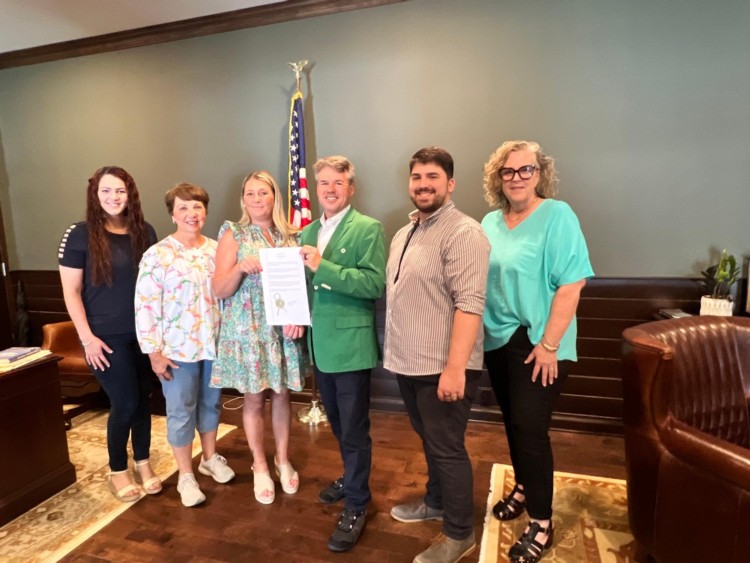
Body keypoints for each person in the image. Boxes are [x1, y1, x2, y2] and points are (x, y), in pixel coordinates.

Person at [481, 140, 593, 563]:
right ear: (498, 178)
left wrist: (548, 345)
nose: (517, 178)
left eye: (525, 170)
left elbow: (572, 283)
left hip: (542, 343)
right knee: (512, 422)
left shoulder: (557, 216)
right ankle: (525, 486)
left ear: (540, 173)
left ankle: (542, 522)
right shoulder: (490, 222)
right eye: (508, 172)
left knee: (530, 428)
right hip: (498, 339)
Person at [385, 147, 490, 563]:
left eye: (432, 176)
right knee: (430, 440)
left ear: (450, 183)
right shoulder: (407, 230)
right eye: (416, 177)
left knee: (447, 448)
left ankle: (459, 534)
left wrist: (455, 370)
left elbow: (470, 304)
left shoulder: (465, 233)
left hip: (442, 368)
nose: (423, 184)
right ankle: (436, 501)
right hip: (409, 362)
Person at [299, 155, 386, 553]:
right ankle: (351, 476)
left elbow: (373, 284)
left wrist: (324, 266)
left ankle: (357, 502)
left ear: (350, 188)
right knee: (337, 424)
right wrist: (292, 316)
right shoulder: (308, 230)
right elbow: (303, 287)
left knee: (353, 430)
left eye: (337, 183)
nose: (329, 190)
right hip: (319, 345)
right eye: (323, 184)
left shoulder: (368, 228)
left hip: (351, 348)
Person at [58, 166, 159, 502]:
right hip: (104, 337)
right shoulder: (79, 234)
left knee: (143, 400)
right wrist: (86, 338)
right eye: (106, 191)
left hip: (145, 334)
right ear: (95, 194)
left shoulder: (145, 231)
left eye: (120, 191)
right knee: (125, 402)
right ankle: (118, 470)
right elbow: (71, 292)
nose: (113, 197)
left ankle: (143, 462)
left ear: (130, 194)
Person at [134, 183, 236, 508]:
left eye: (197, 207)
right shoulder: (158, 254)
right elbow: (145, 305)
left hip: (214, 345)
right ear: (173, 214)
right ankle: (185, 475)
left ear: (205, 210)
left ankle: (209, 457)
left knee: (211, 405)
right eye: (183, 208)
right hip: (176, 351)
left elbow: (228, 292)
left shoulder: (217, 248)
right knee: (180, 412)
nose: (192, 214)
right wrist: (154, 352)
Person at [210, 170, 307, 505]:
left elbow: (300, 287)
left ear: (274, 196)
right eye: (249, 194)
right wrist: (239, 268)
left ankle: (282, 459)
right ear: (243, 199)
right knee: (253, 399)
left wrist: (298, 318)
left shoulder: (289, 236)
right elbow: (218, 287)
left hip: (283, 330)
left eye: (262, 193)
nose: (256, 200)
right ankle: (260, 465)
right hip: (249, 331)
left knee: (282, 395)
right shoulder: (233, 233)